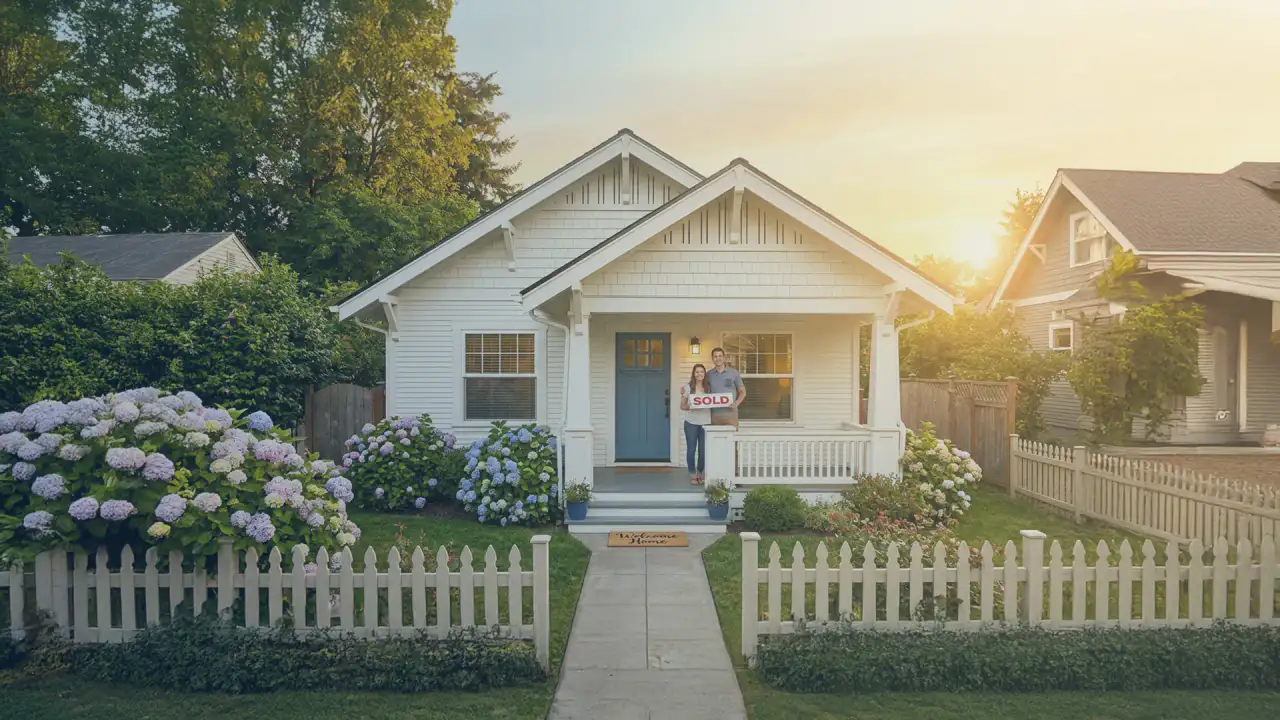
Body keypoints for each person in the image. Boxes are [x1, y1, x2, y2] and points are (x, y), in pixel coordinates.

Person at [680, 364, 711, 484]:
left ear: (705, 374)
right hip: (691, 423)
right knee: (691, 450)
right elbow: (682, 406)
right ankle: (692, 473)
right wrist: (692, 406)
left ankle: (700, 472)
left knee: (703, 451)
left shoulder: (709, 387)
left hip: (706, 423)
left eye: (702, 372)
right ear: (694, 374)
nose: (699, 374)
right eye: (697, 372)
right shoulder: (688, 387)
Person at [707, 347, 746, 429]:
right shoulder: (709, 375)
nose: (718, 358)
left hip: (731, 415)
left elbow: (742, 391)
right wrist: (686, 388)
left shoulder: (734, 373)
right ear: (712, 359)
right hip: (714, 415)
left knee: (732, 440)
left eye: (720, 356)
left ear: (724, 357)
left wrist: (737, 403)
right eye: (715, 356)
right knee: (715, 440)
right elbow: (700, 387)